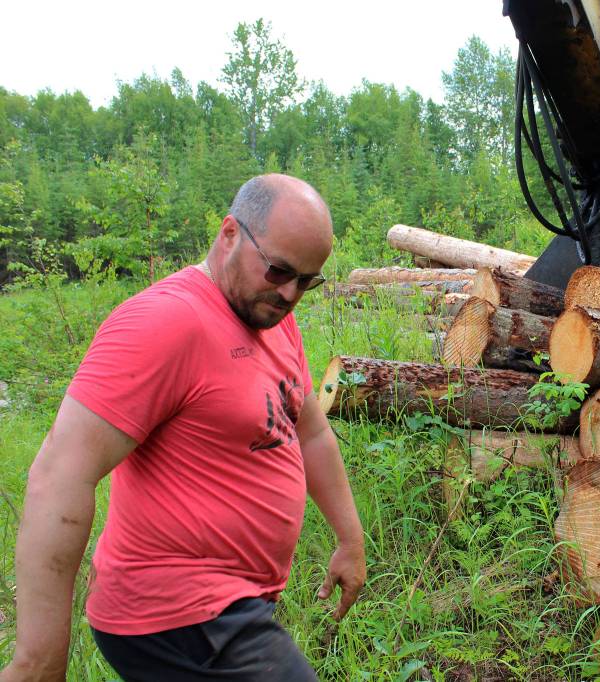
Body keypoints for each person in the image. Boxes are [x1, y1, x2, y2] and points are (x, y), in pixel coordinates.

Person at [0, 174, 366, 681]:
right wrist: (38, 660)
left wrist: (350, 539)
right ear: (230, 234)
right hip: (176, 611)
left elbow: (311, 433)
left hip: (233, 603)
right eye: (279, 270)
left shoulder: (271, 316)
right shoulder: (166, 322)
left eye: (307, 280)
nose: (289, 294)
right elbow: (59, 475)